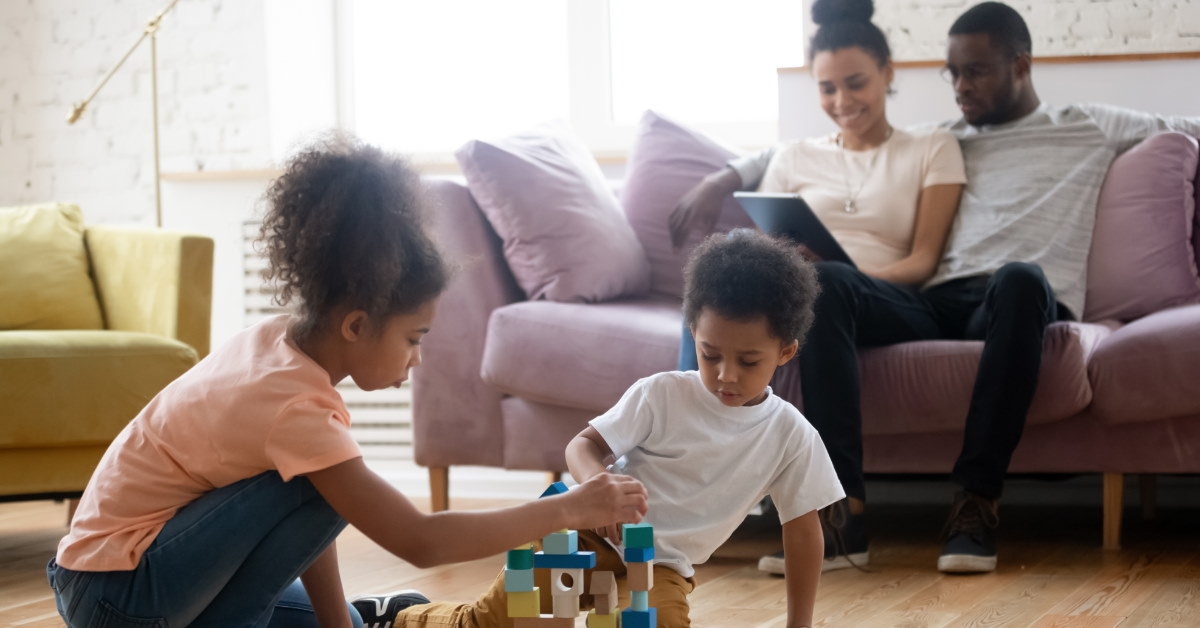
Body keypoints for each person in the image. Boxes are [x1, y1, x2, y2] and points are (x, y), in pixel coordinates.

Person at [676, 1, 1200, 576]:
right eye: (951, 72)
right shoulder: (945, 137)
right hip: (938, 298)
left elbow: (1187, 127)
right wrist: (725, 175)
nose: (959, 87)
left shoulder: (1089, 123)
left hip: (1020, 298)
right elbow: (800, 148)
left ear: (1020, 65)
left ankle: (977, 503)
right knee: (824, 282)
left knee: (1021, 276)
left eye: (975, 71)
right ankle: (840, 510)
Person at [46, 134, 649, 628]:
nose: (417, 361)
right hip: (118, 598)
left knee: (336, 584)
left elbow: (315, 505)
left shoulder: (275, 345)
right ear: (357, 324)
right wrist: (566, 509)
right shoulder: (295, 408)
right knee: (322, 480)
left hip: (113, 577)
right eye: (414, 339)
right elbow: (419, 541)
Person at [380, 230, 842, 627]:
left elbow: (803, 534)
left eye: (748, 361)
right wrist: (596, 485)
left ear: (785, 352)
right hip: (587, 536)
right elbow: (583, 445)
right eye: (709, 354)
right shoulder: (661, 394)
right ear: (693, 335)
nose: (725, 375)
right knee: (493, 619)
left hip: (662, 565)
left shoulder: (792, 436)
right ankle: (401, 615)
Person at [670, 0, 966, 574]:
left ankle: (842, 513)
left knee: (826, 283)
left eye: (855, 83)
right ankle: (684, 486)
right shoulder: (796, 154)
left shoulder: (932, 147)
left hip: (895, 298)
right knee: (714, 297)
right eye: (827, 89)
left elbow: (923, 261)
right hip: (820, 299)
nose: (841, 102)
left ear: (888, 72)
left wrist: (835, 276)